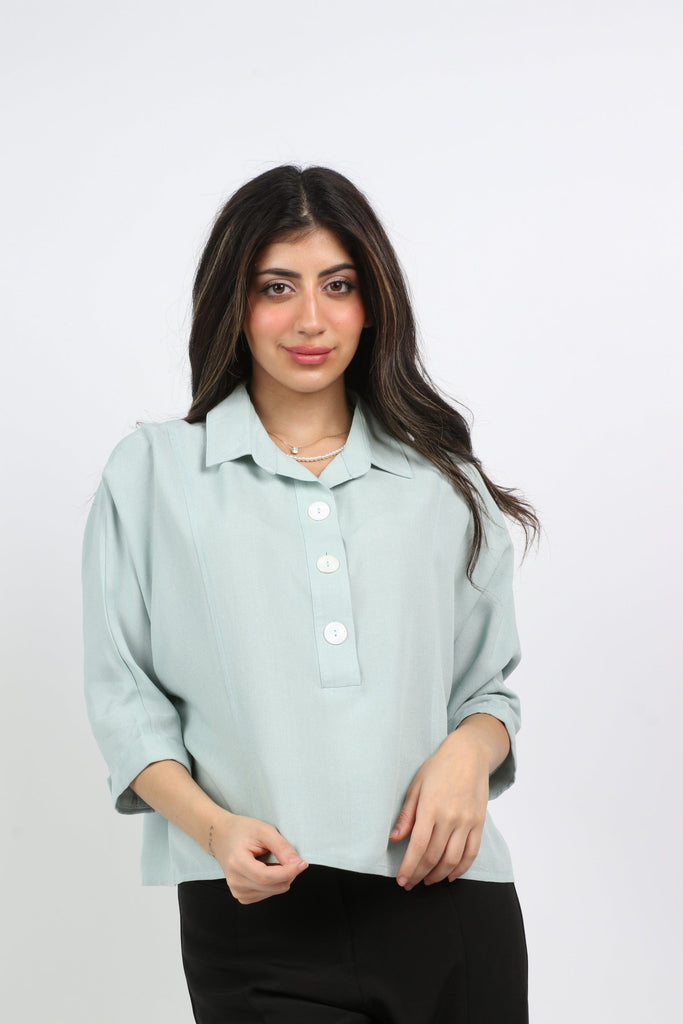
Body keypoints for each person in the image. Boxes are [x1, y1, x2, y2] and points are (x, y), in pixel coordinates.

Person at [81, 164, 541, 1023]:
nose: (310, 320)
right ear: (233, 302)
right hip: (254, 910)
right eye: (275, 287)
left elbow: (487, 691)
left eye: (338, 285)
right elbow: (126, 703)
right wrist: (214, 830)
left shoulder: (443, 480)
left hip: (449, 899)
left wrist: (465, 755)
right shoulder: (152, 474)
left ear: (372, 304)